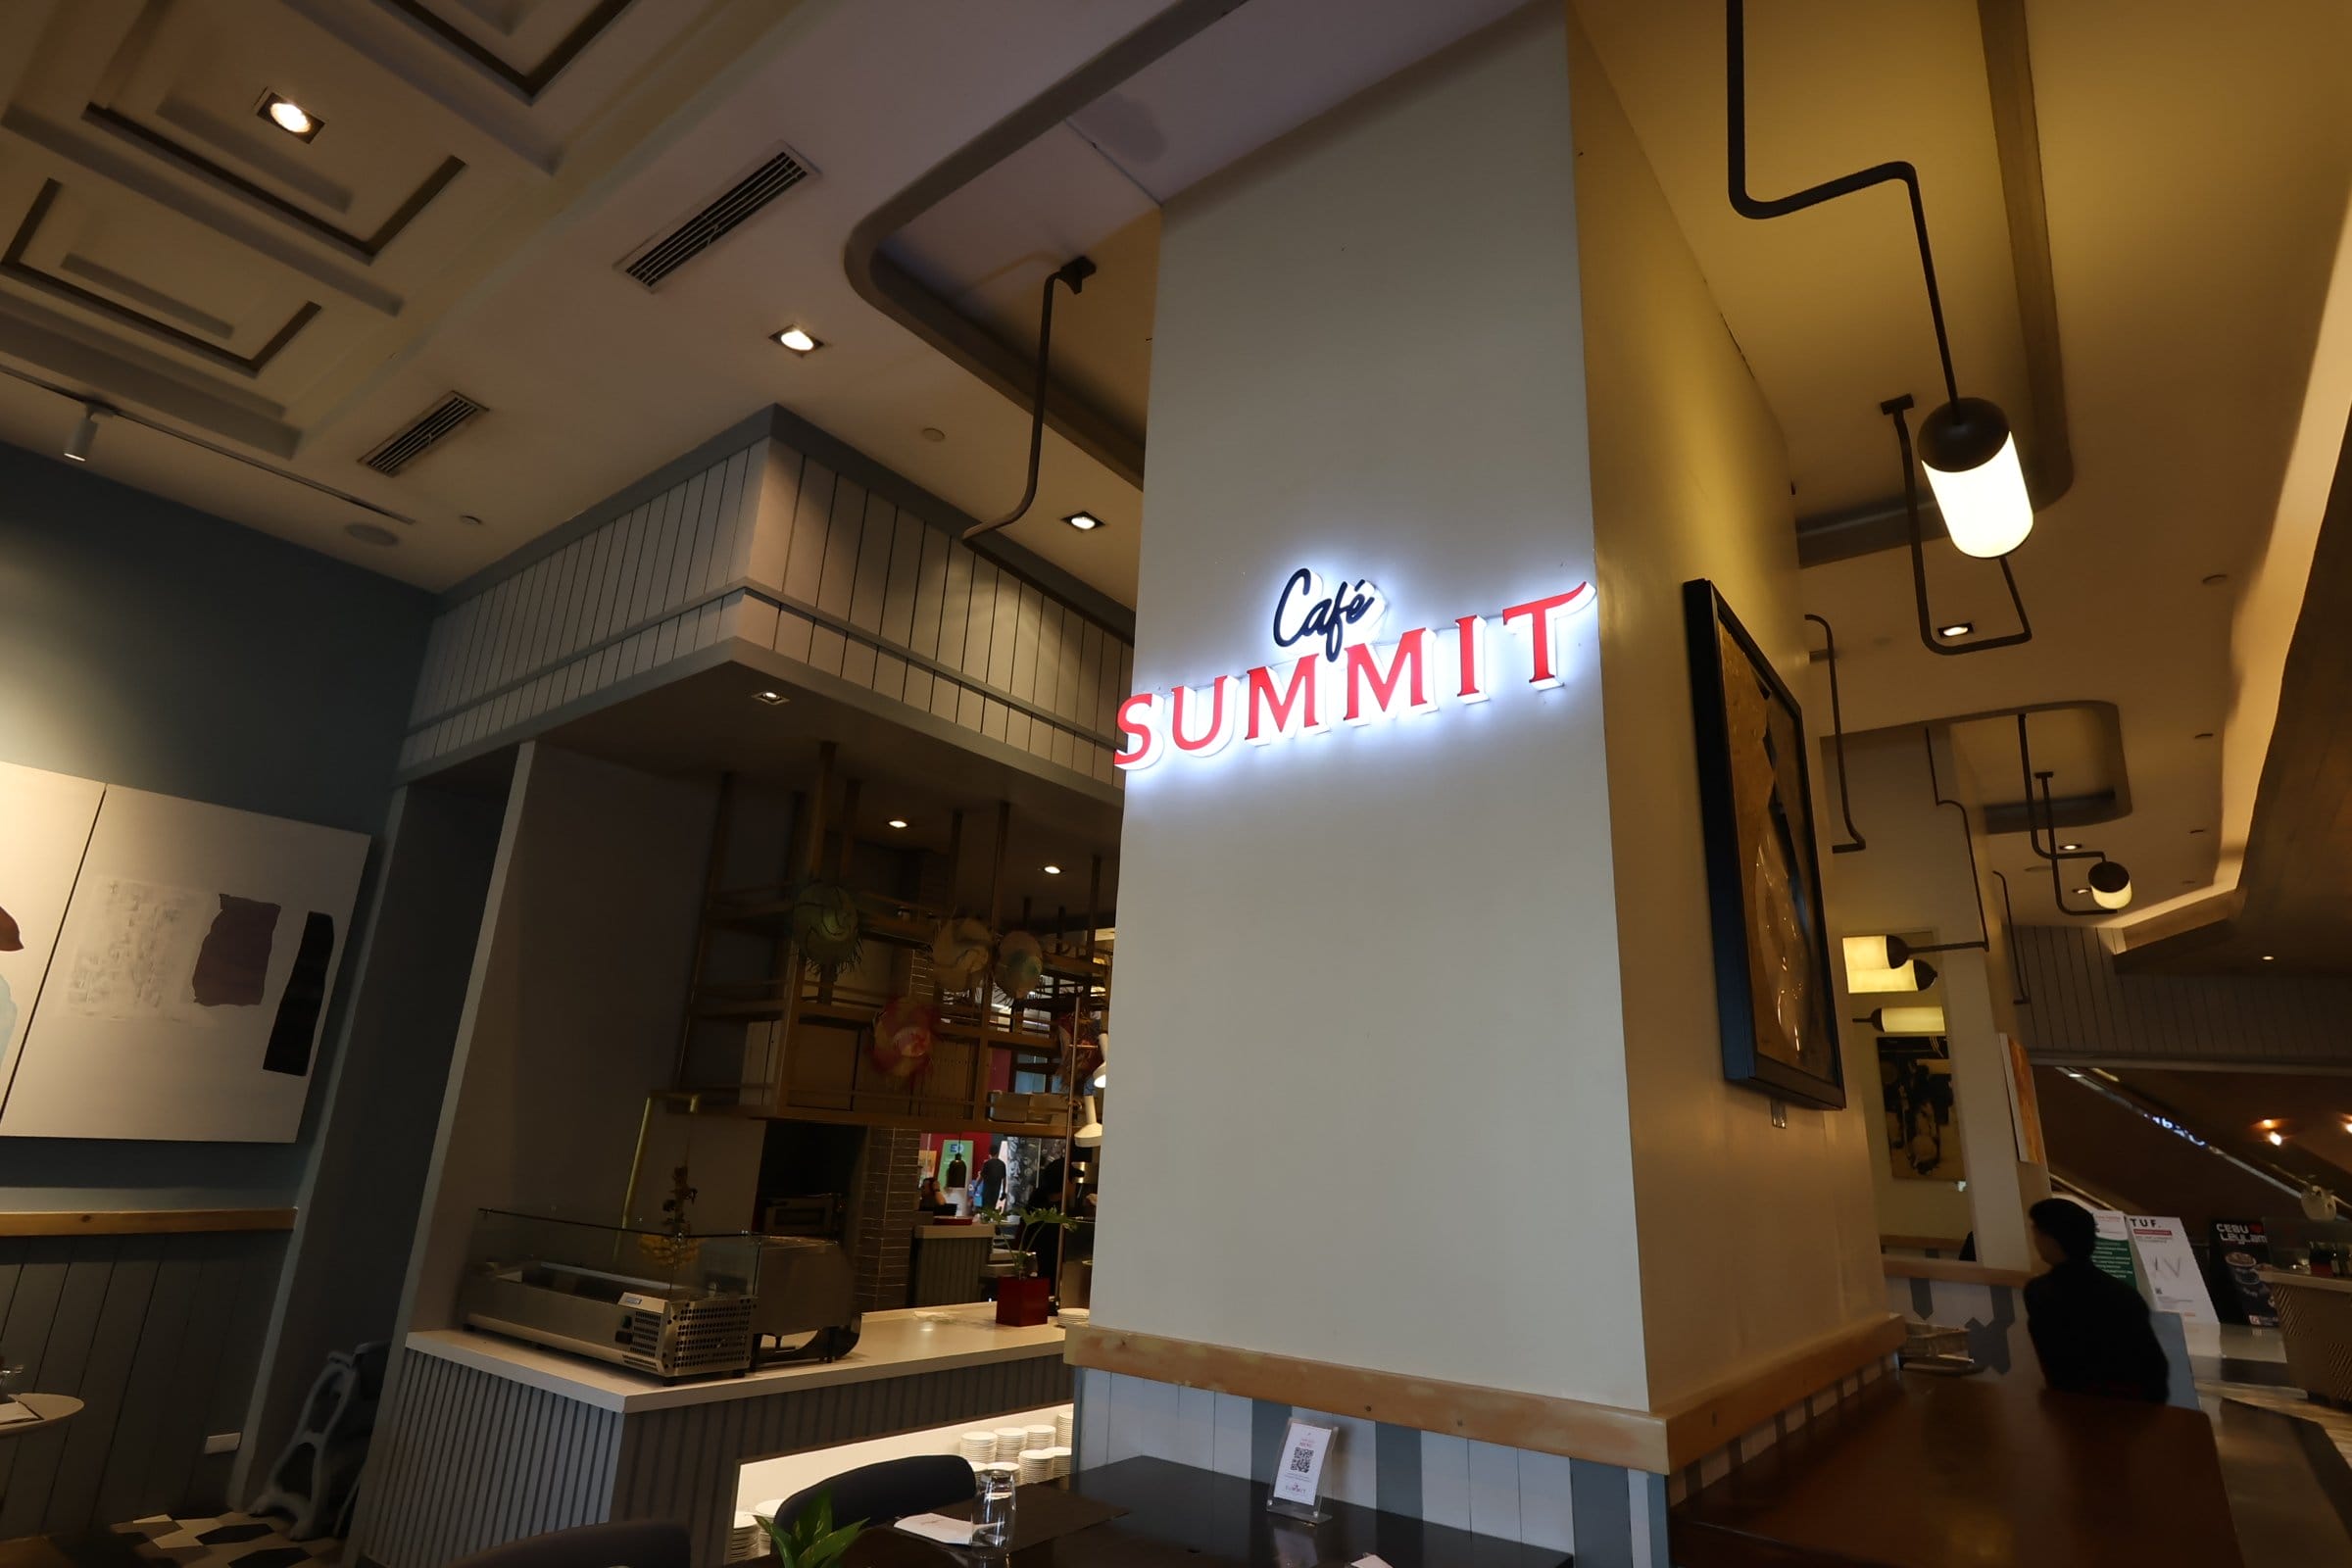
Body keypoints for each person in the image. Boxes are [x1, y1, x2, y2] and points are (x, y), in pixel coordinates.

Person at [2023, 1199, 2170, 1402]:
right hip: (2130, 1411)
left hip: (2071, 1410)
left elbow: (2059, 1367)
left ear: (2051, 1239)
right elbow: (2154, 1370)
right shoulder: (2125, 1294)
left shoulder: (2040, 1292)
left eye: (2037, 1232)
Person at [976, 1144, 1007, 1212]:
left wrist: (976, 1186)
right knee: (992, 1207)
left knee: (985, 1208)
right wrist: (1003, 1192)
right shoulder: (1002, 1164)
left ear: (990, 1153)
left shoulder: (987, 1163)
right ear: (997, 1152)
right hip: (996, 1190)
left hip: (986, 1190)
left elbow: (981, 1177)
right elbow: (1004, 1179)